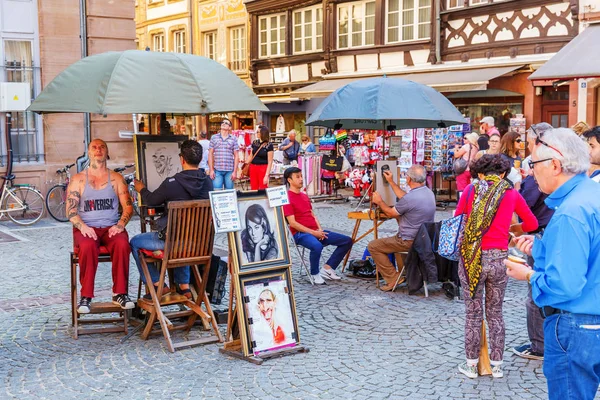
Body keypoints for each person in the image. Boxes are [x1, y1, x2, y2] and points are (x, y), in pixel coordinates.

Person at [506, 128, 600, 400]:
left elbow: (564, 286)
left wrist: (527, 274)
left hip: (575, 323)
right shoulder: (590, 196)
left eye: (533, 164)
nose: (530, 171)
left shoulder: (571, 211)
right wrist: (544, 246)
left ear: (556, 165)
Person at [455, 154, 538, 379]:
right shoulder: (510, 193)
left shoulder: (471, 191)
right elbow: (532, 223)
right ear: (502, 174)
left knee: (473, 314)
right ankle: (497, 366)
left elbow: (458, 219)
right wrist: (511, 232)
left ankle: (472, 366)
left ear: (480, 174)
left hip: (472, 258)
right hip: (499, 258)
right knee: (496, 313)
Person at [130, 140, 213, 300]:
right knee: (185, 236)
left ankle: (156, 284)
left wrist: (141, 189)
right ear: (200, 158)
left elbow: (152, 200)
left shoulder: (172, 184)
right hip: (199, 245)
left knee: (135, 242)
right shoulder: (208, 182)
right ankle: (184, 286)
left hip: (174, 245)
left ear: (181, 159)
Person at [66, 139, 135, 314]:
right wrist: (82, 227)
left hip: (110, 226)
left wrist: (120, 225)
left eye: (102, 147)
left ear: (107, 152)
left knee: (122, 244)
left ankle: (120, 293)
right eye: (94, 147)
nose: (98, 150)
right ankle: (86, 296)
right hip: (86, 227)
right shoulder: (78, 179)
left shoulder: (117, 178)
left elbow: (128, 206)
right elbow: (70, 210)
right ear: (88, 153)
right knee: (88, 246)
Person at [511, 123, 555, 361]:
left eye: (528, 143)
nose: (526, 147)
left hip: (540, 231)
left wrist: (519, 188)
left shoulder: (541, 167)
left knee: (536, 291)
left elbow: (526, 204)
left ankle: (540, 345)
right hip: (543, 229)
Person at [368, 165, 436, 291]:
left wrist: (379, 202)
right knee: (391, 242)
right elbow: (406, 198)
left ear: (409, 179)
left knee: (373, 246)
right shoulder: (428, 192)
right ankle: (403, 274)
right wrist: (391, 182)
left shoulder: (411, 198)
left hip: (408, 241)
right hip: (424, 239)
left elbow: (390, 213)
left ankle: (393, 278)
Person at [283, 167, 353, 285]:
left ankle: (328, 268)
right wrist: (313, 233)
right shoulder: (287, 198)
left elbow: (312, 215)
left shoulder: (304, 196)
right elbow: (292, 223)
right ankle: (314, 274)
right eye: (298, 177)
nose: (301, 179)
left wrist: (319, 230)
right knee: (316, 246)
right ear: (289, 180)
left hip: (315, 231)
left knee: (346, 241)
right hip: (300, 234)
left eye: (301, 176)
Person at [208, 118, 238, 190]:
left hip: (229, 170)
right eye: (222, 122)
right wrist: (211, 170)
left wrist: (235, 172)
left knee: (229, 192)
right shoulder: (214, 137)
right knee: (217, 192)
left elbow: (236, 156)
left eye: (226, 123)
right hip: (217, 170)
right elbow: (210, 154)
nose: (223, 123)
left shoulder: (233, 138)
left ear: (230, 127)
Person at [453, 132, 480, 200]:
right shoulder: (476, 147)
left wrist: (456, 149)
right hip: (471, 170)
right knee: (469, 189)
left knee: (462, 189)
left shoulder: (466, 146)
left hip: (463, 170)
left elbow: (456, 155)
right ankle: (468, 204)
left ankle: (461, 204)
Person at [248, 126, 274, 190]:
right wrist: (244, 165)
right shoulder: (254, 143)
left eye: (258, 132)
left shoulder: (269, 145)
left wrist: (267, 175)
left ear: (263, 133)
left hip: (263, 168)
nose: (256, 133)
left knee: (263, 188)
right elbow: (251, 156)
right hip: (253, 167)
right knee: (253, 188)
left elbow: (270, 161)